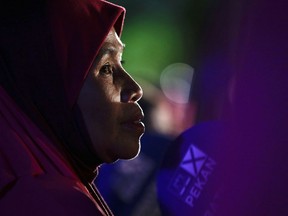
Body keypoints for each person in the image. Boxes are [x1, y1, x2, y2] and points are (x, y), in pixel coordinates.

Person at [0, 0, 144, 215]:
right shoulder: (53, 205)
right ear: (48, 95)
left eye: (122, 63)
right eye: (106, 68)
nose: (135, 89)